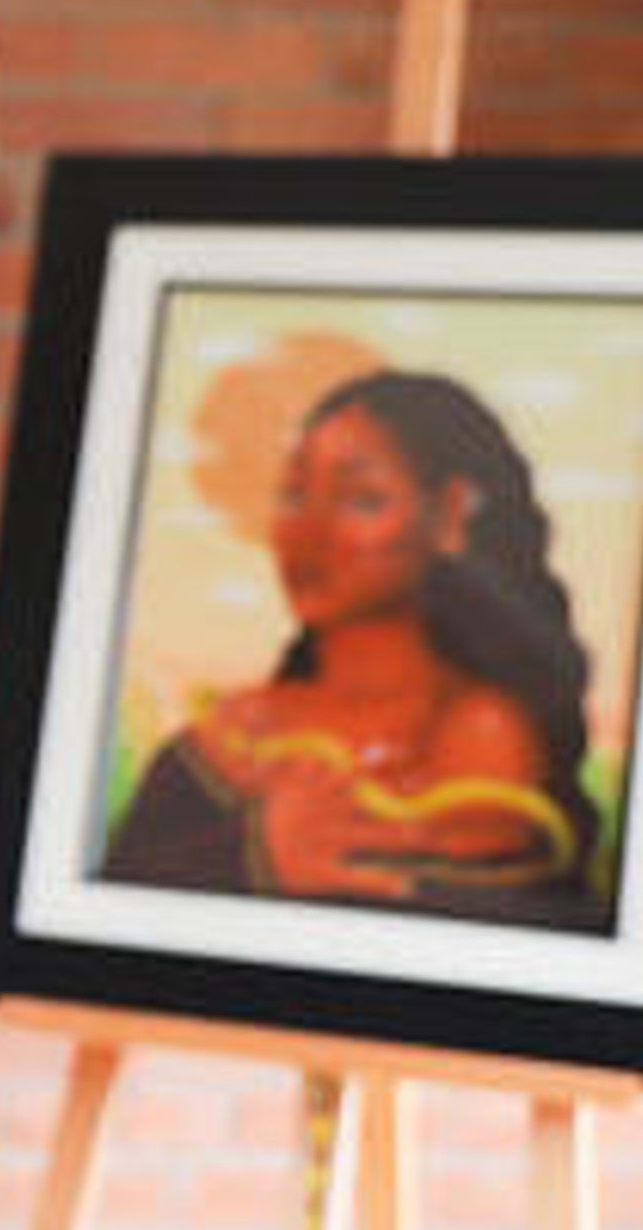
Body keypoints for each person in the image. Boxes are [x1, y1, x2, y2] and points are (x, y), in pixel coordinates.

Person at [101, 369, 614, 932]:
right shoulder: (225, 735)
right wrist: (251, 853)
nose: (308, 533)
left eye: (362, 499)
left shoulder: (483, 733)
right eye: (294, 494)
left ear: (448, 515)